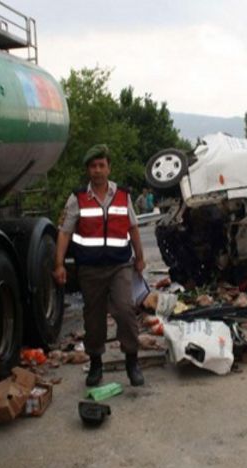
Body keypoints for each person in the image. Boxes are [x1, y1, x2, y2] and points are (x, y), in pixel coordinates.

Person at [54, 144, 147, 387]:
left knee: (126, 311)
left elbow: (133, 227)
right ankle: (96, 365)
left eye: (101, 166)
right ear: (88, 170)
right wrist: (59, 264)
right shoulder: (77, 198)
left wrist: (139, 257)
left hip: (120, 266)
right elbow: (64, 232)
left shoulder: (123, 195)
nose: (97, 171)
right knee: (93, 319)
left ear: (109, 168)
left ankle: (132, 362)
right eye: (93, 167)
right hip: (90, 269)